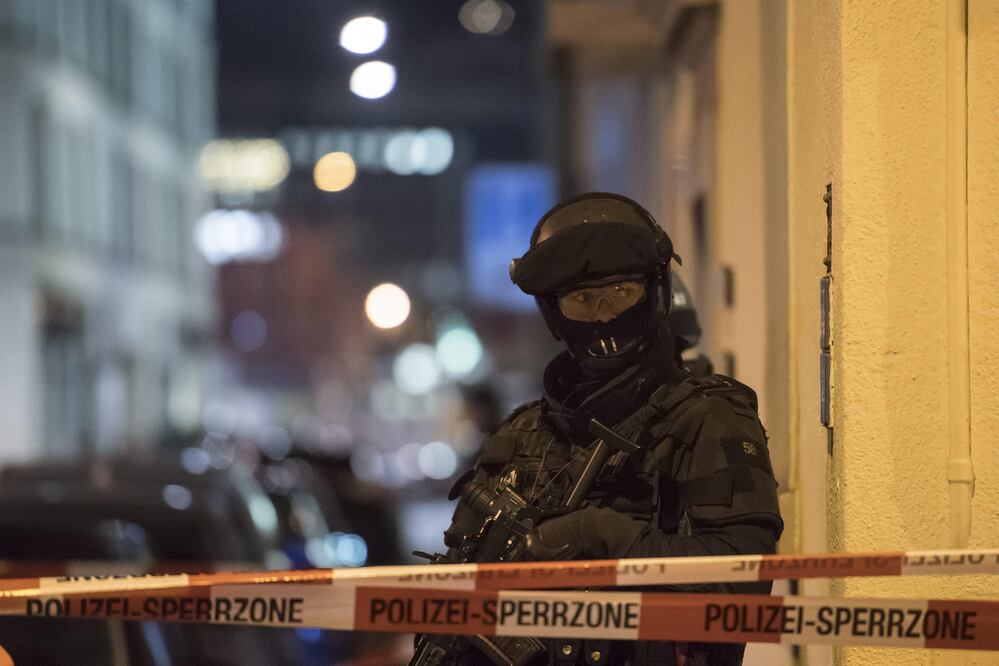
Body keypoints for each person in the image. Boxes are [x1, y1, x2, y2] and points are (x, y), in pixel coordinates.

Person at [438, 192, 783, 665]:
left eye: (621, 293)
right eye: (582, 300)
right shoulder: (521, 434)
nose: (603, 314)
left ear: (654, 289)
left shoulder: (707, 419)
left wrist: (600, 534)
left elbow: (743, 579)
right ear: (554, 311)